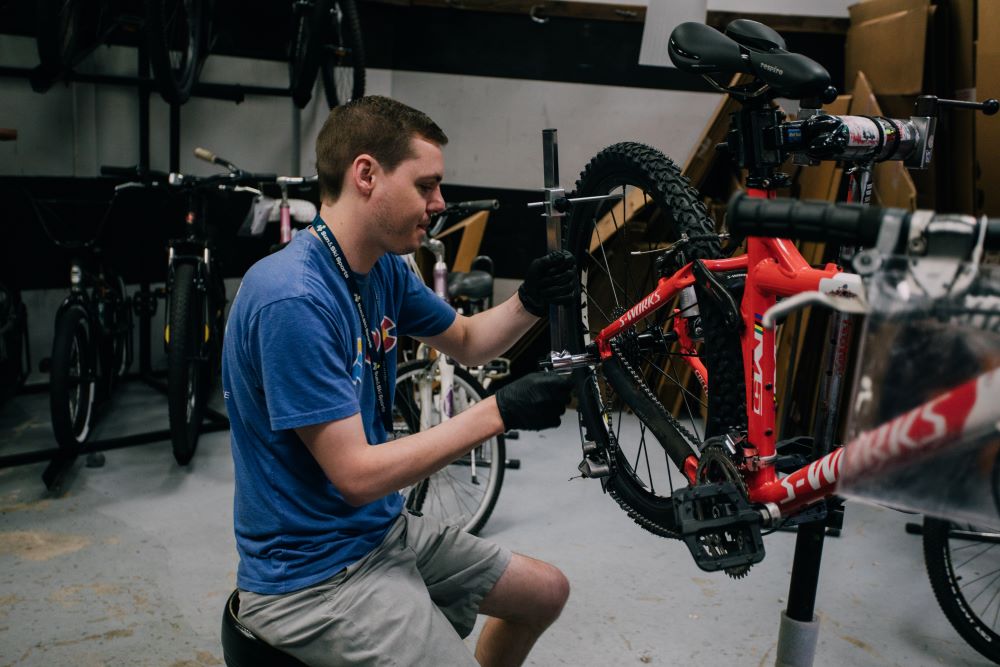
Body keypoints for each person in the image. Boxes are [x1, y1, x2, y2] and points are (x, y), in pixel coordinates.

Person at [221, 95, 577, 667]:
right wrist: (498, 411)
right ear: (366, 175)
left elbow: (466, 340)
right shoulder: (294, 298)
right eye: (426, 185)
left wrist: (531, 300)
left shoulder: (381, 267)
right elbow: (356, 476)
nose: (439, 203)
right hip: (309, 578)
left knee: (545, 593)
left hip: (378, 533)